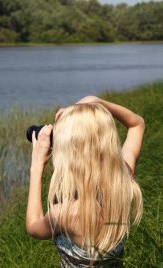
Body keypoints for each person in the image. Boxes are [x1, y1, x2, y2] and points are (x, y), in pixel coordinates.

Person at [26, 96, 144, 267]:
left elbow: (32, 226)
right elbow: (136, 124)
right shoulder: (125, 184)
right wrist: (97, 102)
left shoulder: (66, 214)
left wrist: (37, 165)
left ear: (68, 154)